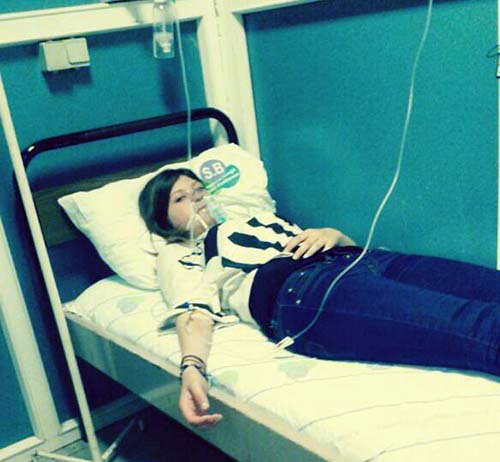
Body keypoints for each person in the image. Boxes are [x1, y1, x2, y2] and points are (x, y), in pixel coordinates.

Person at [139, 168, 500, 428]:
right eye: (181, 198)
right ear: (163, 221)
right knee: (478, 326)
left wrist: (332, 234)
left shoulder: (256, 218)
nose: (198, 200)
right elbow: (194, 313)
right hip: (304, 292)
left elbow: (342, 245)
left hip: (363, 259)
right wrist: (192, 368)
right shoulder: (179, 253)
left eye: (199, 190)